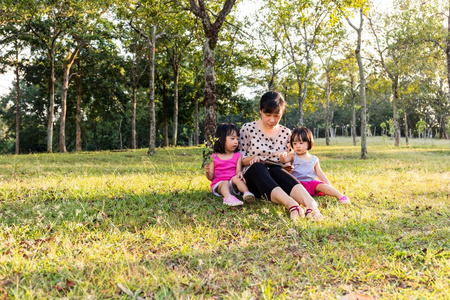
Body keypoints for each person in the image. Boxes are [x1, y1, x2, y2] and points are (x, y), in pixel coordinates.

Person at [239, 91, 323, 221]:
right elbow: (240, 159)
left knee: (275, 169)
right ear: (260, 110)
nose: (272, 120)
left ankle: (311, 204)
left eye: (277, 116)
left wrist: (288, 165)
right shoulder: (247, 129)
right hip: (254, 179)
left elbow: (290, 157)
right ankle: (292, 205)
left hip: (277, 176)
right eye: (268, 115)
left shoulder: (286, 133)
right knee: (258, 167)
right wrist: (252, 159)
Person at [277, 126, 351, 204]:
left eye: (301, 143)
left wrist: (328, 184)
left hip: (311, 183)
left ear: (309, 143)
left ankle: (341, 196)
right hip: (297, 185)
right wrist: (282, 156)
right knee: (286, 190)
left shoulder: (314, 159)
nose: (298, 146)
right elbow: (284, 160)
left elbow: (319, 173)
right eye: (295, 143)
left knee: (323, 186)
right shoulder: (292, 156)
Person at [205, 123, 256, 206]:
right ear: (221, 139)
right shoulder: (213, 157)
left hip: (232, 184)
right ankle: (227, 197)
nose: (236, 142)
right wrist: (207, 172)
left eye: (237, 139)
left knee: (237, 178)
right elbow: (211, 177)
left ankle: (247, 193)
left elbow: (237, 172)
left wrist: (239, 174)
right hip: (219, 185)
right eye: (232, 138)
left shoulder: (238, 155)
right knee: (225, 183)